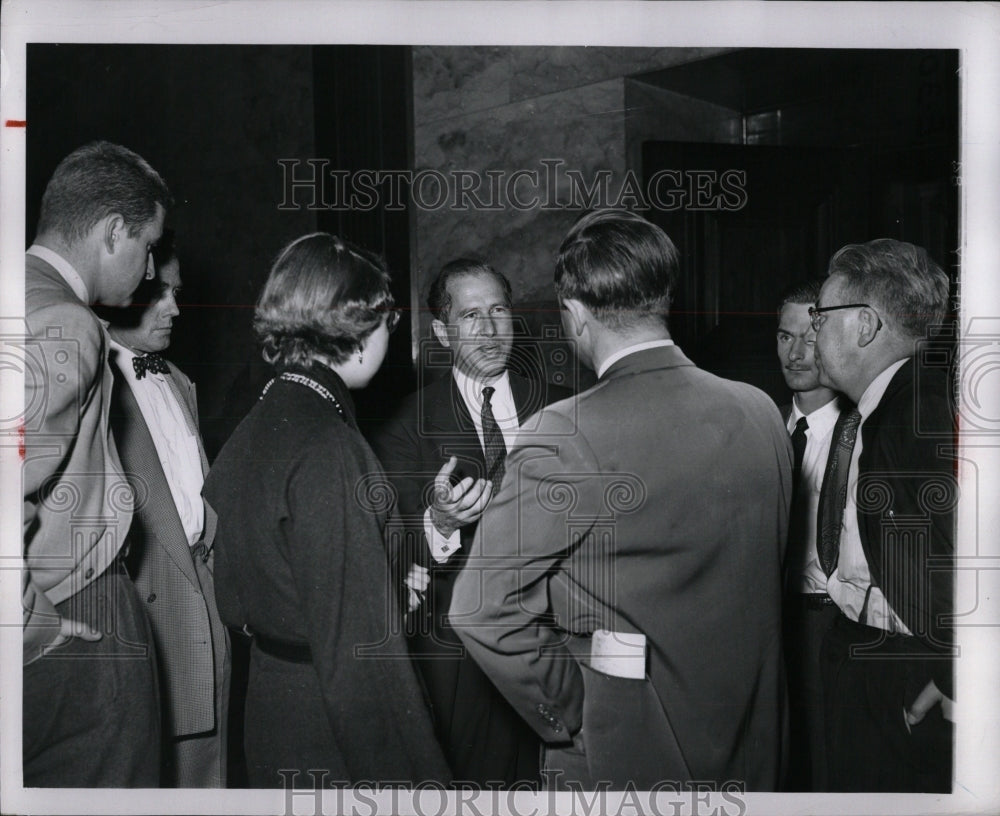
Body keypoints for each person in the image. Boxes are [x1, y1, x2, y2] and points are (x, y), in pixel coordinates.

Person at [450, 209, 792, 790]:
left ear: (577, 315)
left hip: (628, 756)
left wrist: (575, 716)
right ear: (660, 300)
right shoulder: (761, 409)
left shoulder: (563, 433)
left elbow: (480, 609)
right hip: (754, 747)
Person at [203, 232, 450, 787]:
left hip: (271, 706)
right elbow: (362, 655)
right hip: (333, 723)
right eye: (387, 322)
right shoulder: (329, 444)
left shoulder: (256, 423)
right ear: (358, 330)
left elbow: (237, 595)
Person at [372, 258, 568, 786]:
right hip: (452, 653)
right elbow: (388, 540)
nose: (488, 329)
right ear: (441, 330)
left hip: (547, 642)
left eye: (499, 310)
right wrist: (437, 520)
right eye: (470, 315)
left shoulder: (562, 408)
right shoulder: (404, 423)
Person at [23, 140, 171, 786]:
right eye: (148, 249)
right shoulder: (66, 322)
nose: (148, 274)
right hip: (76, 609)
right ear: (114, 232)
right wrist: (35, 629)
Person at [810, 238, 955, 792]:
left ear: (865, 326)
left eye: (822, 315)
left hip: (901, 672)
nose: (813, 330)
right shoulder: (891, 406)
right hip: (865, 655)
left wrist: (953, 677)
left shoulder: (918, 412)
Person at [104, 232, 230, 787]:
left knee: (211, 770)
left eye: (176, 292)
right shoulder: (89, 385)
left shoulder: (178, 381)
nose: (175, 308)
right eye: (160, 293)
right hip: (143, 615)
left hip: (205, 607)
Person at [774, 279, 842, 791]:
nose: (795, 353)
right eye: (783, 336)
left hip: (828, 625)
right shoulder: (760, 428)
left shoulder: (859, 435)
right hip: (766, 623)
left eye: (809, 339)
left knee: (824, 769)